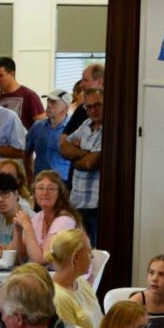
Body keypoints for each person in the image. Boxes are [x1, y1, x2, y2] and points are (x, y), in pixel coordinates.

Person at [58, 87, 104, 239]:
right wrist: (87, 153)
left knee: (94, 252)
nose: (93, 110)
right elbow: (63, 147)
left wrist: (75, 156)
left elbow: (91, 163)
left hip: (96, 204)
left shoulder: (110, 129)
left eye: (97, 105)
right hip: (76, 201)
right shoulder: (86, 124)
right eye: (88, 107)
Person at [15, 170, 80, 266]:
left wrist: (27, 226)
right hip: (46, 276)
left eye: (51, 189)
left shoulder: (65, 220)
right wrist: (18, 231)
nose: (45, 192)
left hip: (69, 278)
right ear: (34, 194)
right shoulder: (37, 218)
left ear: (60, 194)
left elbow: (41, 260)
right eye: (40, 188)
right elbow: (21, 258)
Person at [47, 229, 101, 328]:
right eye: (89, 252)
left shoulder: (81, 282)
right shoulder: (58, 298)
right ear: (76, 258)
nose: (92, 256)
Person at [24, 93, 71, 186]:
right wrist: (29, 176)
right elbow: (26, 153)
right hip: (39, 180)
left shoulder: (74, 128)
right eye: (48, 101)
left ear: (65, 108)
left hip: (64, 183)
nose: (48, 105)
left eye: (53, 102)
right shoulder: (37, 126)